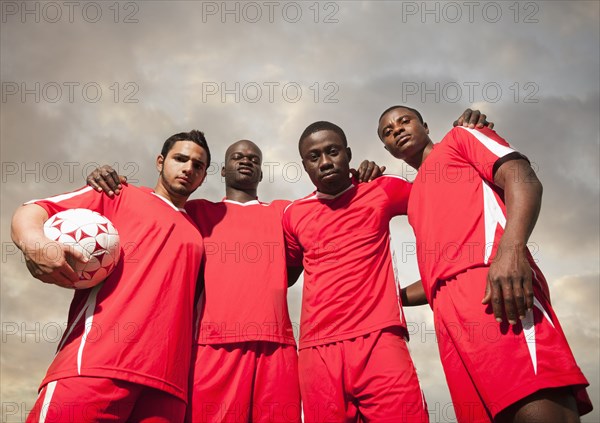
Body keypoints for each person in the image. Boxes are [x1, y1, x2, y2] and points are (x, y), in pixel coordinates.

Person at [377, 105, 593, 423]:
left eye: (404, 121)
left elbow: (523, 178)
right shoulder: (414, 198)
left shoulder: (462, 136)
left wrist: (511, 251)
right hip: (450, 322)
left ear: (424, 124)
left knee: (536, 401)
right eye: (388, 131)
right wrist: (386, 298)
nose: (397, 130)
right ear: (386, 148)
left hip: (497, 291)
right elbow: (438, 274)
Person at [11, 130, 211, 423]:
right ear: (160, 161)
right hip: (95, 364)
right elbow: (34, 210)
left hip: (168, 388)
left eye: (198, 165)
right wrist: (35, 244)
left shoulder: (199, 233)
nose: (188, 168)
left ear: (204, 176)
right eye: (180, 159)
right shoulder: (117, 193)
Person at [282, 120, 427, 423]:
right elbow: (283, 276)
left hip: (380, 338)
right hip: (317, 349)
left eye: (332, 151)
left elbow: (440, 196)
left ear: (348, 153)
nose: (324, 162)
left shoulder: (381, 191)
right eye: (314, 157)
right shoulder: (294, 215)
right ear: (305, 166)